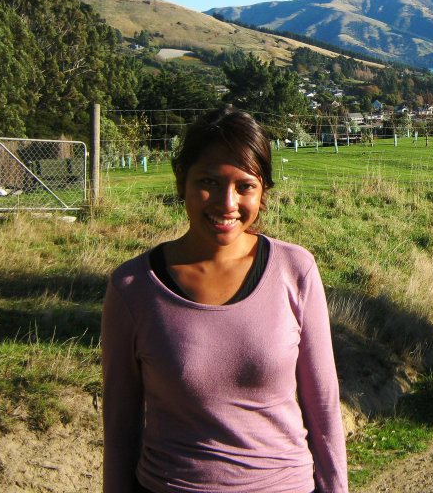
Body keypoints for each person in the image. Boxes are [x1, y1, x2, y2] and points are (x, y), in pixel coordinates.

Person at [102, 105, 348, 493]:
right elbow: (119, 426)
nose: (227, 203)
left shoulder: (295, 270)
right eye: (209, 182)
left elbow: (324, 406)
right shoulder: (133, 287)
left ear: (263, 192)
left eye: (244, 186)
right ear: (181, 181)